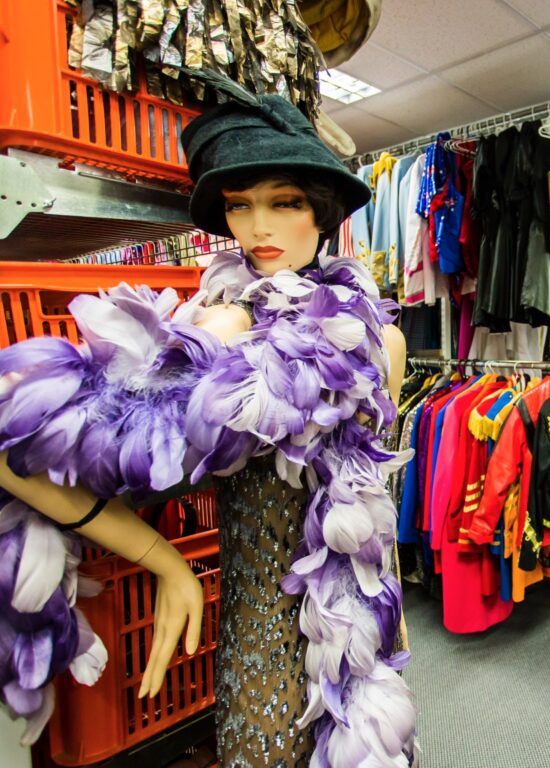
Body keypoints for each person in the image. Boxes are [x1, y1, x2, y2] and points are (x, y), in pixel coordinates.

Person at [0, 80, 417, 765]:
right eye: (240, 206)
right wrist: (165, 562)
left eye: (284, 202)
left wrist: (391, 617)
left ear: (322, 210)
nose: (259, 227)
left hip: (362, 646)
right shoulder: (223, 332)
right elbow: (12, 450)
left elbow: (369, 492)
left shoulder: (382, 341)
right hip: (265, 658)